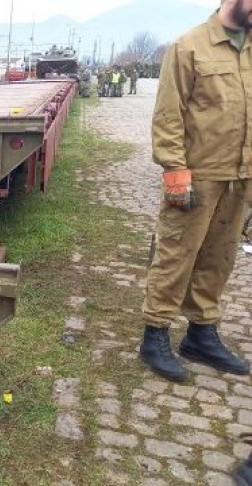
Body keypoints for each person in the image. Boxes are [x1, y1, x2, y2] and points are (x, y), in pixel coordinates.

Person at [139, 0, 252, 385]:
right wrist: (175, 172)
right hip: (197, 176)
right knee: (176, 254)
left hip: (240, 177)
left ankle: (201, 334)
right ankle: (155, 334)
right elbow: (168, 115)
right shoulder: (189, 47)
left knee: (220, 256)